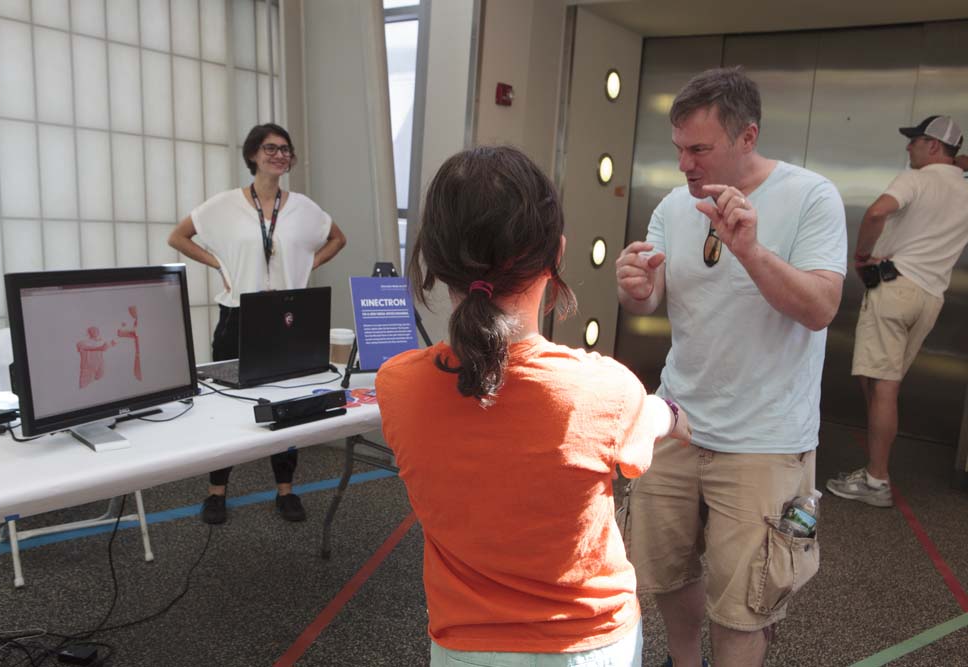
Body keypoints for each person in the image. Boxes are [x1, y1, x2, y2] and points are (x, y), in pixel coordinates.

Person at [376, 146, 691, 667]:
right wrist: (676, 417)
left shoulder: (398, 385)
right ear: (557, 254)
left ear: (434, 259)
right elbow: (658, 419)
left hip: (461, 649)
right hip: (588, 646)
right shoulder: (606, 391)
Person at [615, 67, 847, 667]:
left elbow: (820, 308)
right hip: (677, 423)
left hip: (765, 439)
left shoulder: (811, 197)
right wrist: (634, 287)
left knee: (746, 602)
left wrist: (749, 249)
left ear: (747, 137)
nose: (685, 165)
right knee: (662, 572)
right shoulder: (674, 204)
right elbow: (650, 297)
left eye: (699, 149)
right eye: (678, 149)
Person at [168, 122, 346, 525]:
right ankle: (216, 491)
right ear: (252, 155)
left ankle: (285, 489)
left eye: (285, 149)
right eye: (270, 147)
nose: (279, 154)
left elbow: (338, 238)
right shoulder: (223, 205)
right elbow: (178, 237)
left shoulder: (304, 208)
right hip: (238, 315)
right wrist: (219, 264)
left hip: (289, 318)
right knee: (223, 406)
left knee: (288, 404)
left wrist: (309, 264)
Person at [827, 115, 968, 508]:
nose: (909, 148)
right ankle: (875, 469)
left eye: (916, 141)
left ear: (934, 146)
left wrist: (861, 257)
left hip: (895, 289)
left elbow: (876, 212)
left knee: (882, 387)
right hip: (930, 298)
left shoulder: (916, 179)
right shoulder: (963, 186)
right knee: (880, 384)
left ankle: (876, 481)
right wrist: (958, 164)